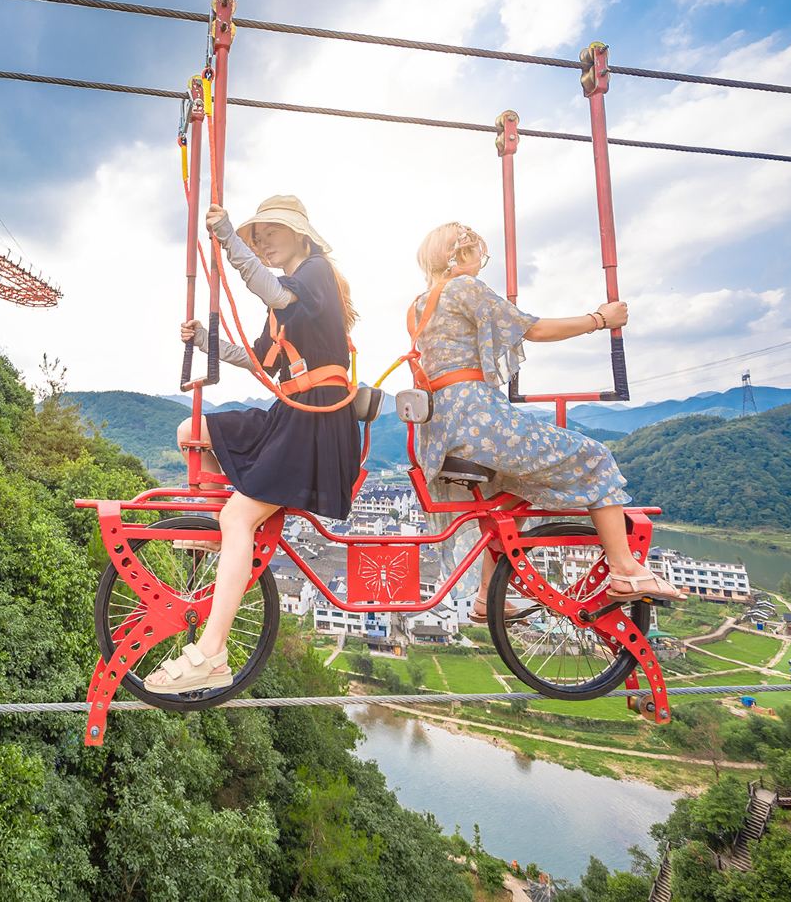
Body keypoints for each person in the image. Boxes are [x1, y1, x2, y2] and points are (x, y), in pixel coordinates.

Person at [407, 221, 686, 622]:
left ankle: (488, 594)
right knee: (595, 457)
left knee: (505, 499)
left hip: (440, 430)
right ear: (460, 253)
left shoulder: (418, 306)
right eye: (479, 254)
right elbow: (533, 329)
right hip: (477, 419)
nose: (481, 263)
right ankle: (625, 569)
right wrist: (600, 318)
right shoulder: (464, 287)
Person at [145, 194, 361, 693]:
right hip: (292, 412)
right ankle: (226, 530)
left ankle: (212, 652)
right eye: (256, 237)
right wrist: (206, 341)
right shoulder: (287, 301)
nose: (262, 243)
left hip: (317, 417)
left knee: (239, 518)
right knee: (191, 432)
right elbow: (258, 359)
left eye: (269, 233)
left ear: (300, 234)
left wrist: (228, 240)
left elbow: (273, 292)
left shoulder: (315, 273)